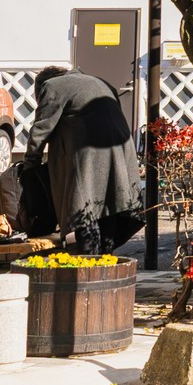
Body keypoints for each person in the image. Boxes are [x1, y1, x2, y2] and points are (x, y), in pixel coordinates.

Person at [26, 66, 143, 251]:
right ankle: (105, 260)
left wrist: (30, 164)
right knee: (109, 207)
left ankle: (90, 261)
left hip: (89, 157)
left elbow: (41, 129)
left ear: (40, 88)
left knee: (84, 209)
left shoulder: (53, 85)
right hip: (121, 154)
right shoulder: (102, 82)